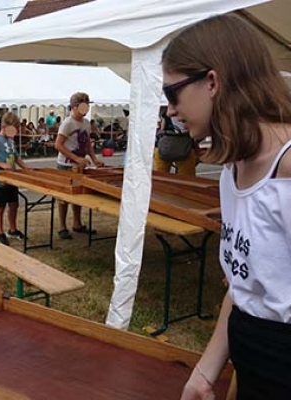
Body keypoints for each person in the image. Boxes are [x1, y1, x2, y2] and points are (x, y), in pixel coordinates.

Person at [161, 15, 291, 400]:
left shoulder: (287, 169)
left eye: (172, 94)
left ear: (212, 82)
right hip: (252, 359)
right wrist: (205, 374)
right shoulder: (232, 170)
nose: (170, 110)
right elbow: (243, 288)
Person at [55, 92, 104, 240]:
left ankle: (77, 223)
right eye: (83, 105)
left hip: (79, 165)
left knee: (78, 194)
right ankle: (62, 226)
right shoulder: (68, 123)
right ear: (74, 107)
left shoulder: (86, 123)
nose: (86, 109)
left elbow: (87, 143)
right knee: (64, 197)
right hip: (65, 165)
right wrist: (75, 158)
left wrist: (94, 159)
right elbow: (58, 145)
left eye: (87, 105)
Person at [0, 112, 29, 246]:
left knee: (14, 204)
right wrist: (1, 164)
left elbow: (16, 157)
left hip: (12, 179)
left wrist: (26, 168)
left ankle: (13, 229)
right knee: (0, 206)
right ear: (4, 126)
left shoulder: (11, 141)